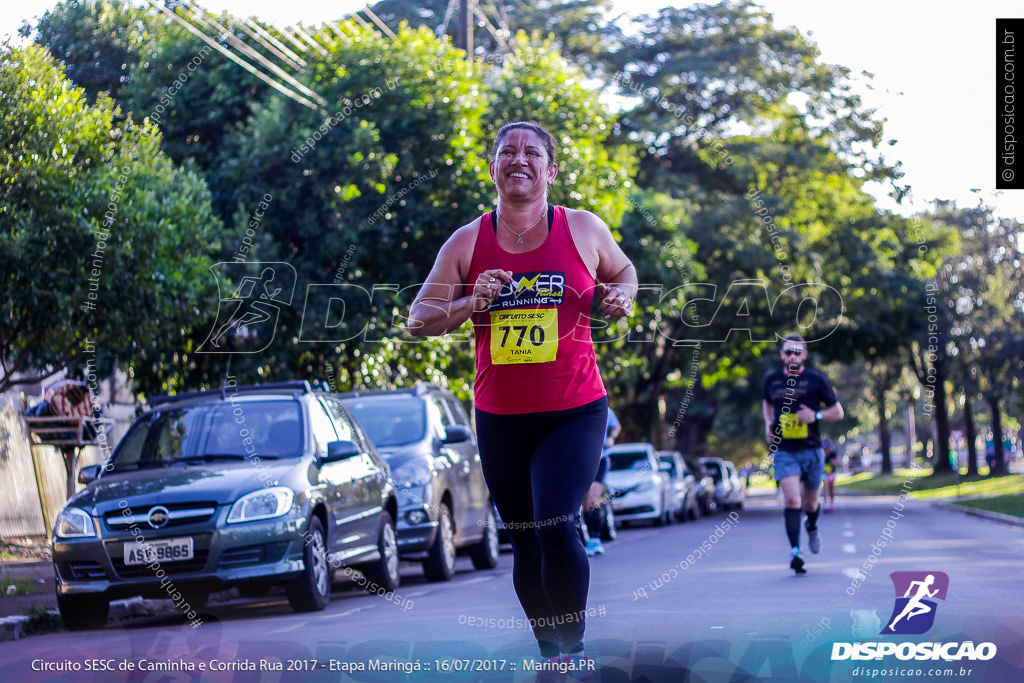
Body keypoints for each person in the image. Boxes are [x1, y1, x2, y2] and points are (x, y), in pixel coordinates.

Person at [407, 121, 636, 663]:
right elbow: (419, 320)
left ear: (550, 171)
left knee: (557, 522)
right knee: (525, 538)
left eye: (532, 152)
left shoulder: (582, 228)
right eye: (507, 151)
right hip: (501, 417)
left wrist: (620, 296)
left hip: (575, 410)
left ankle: (571, 648)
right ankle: (549, 649)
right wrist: (471, 302)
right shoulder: (468, 241)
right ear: (492, 169)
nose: (519, 159)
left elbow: (624, 272)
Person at [762, 333, 844, 574]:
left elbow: (838, 412)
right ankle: (796, 552)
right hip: (785, 451)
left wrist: (816, 416)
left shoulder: (816, 380)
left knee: (810, 502)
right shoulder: (772, 381)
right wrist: (768, 424)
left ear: (805, 355)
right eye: (788, 352)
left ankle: (812, 526)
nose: (792, 356)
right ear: (782, 355)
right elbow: (767, 404)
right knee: (792, 500)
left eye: (797, 352)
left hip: (811, 450)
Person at [583, 406, 621, 556]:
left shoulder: (602, 407)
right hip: (582, 462)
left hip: (600, 460)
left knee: (593, 500)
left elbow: (617, 426)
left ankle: (595, 540)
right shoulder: (575, 407)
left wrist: (611, 438)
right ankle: (586, 540)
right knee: (585, 506)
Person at [821, 438, 838, 513]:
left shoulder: (832, 454)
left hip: (831, 473)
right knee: (825, 486)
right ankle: (825, 504)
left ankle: (831, 503)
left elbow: (838, 461)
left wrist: (833, 461)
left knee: (831, 487)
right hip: (824, 473)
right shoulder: (822, 454)